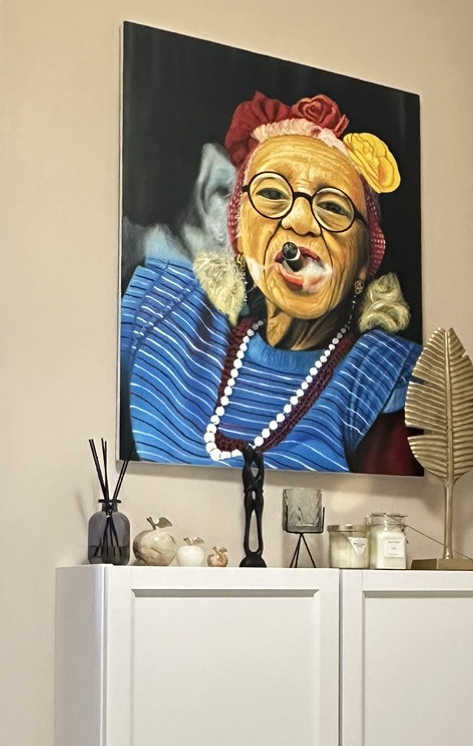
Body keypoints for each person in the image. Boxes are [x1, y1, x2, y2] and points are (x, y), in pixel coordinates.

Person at [121, 91, 421, 472]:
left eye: (332, 207)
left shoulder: (380, 380)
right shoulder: (167, 313)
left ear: (364, 264)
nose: (299, 222)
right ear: (240, 234)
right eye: (272, 194)